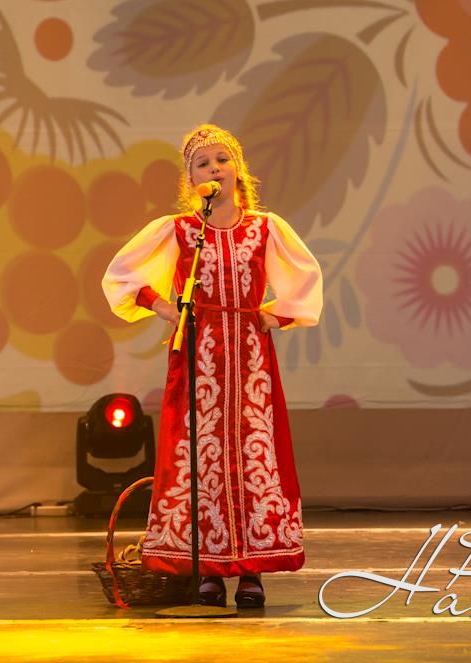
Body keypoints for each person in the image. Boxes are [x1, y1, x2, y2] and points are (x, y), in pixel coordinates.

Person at [101, 124, 322, 608]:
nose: (215, 168)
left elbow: (305, 281)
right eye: (203, 164)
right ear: (192, 180)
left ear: (238, 168)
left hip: (249, 357)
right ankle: (207, 569)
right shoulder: (182, 231)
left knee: (251, 453)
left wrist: (274, 314)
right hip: (197, 353)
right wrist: (165, 307)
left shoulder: (264, 228)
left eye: (222, 159)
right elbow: (121, 276)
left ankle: (252, 569)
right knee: (200, 456)